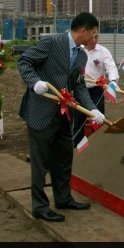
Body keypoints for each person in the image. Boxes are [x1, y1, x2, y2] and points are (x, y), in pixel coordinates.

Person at [17, 12, 105, 223]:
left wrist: (94, 110)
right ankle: (39, 206)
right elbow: (24, 61)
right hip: (40, 111)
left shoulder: (82, 55)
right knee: (40, 162)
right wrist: (35, 82)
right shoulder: (51, 42)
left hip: (63, 114)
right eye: (93, 34)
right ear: (83, 31)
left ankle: (63, 198)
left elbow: (78, 86)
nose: (94, 38)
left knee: (64, 157)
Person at [72, 33, 119, 146]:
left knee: (98, 120)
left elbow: (111, 68)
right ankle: (78, 147)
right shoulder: (78, 50)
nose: (93, 40)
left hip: (96, 91)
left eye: (96, 37)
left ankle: (95, 146)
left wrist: (113, 81)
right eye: (91, 37)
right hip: (79, 91)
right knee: (79, 121)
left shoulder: (103, 52)